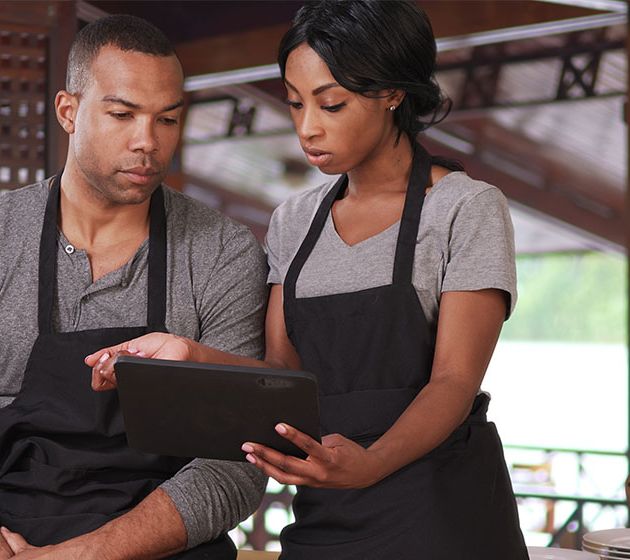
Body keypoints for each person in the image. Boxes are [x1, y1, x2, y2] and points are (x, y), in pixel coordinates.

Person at [87, 2, 529, 558]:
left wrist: (369, 465)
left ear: (392, 93)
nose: (306, 127)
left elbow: (453, 384)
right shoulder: (294, 221)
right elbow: (282, 376)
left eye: (331, 104)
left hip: (443, 514)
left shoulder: (465, 208)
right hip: (326, 512)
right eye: (295, 104)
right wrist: (187, 354)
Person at [0, 14, 268, 560]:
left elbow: (237, 462)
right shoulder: (5, 234)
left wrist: (83, 555)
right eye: (122, 114)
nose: (147, 142)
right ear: (67, 112)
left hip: (159, 545)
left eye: (167, 119)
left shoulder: (222, 252)